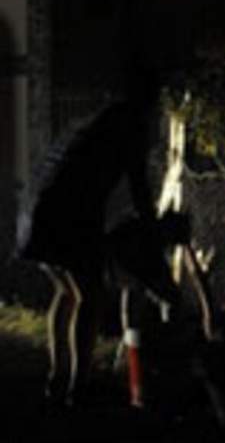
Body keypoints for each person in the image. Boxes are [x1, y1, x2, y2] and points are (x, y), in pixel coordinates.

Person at [14, 95, 159, 407]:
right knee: (89, 296)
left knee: (66, 291)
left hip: (37, 209)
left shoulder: (90, 123)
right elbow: (139, 187)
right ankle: (79, 385)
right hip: (68, 214)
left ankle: (58, 376)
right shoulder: (129, 128)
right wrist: (153, 227)